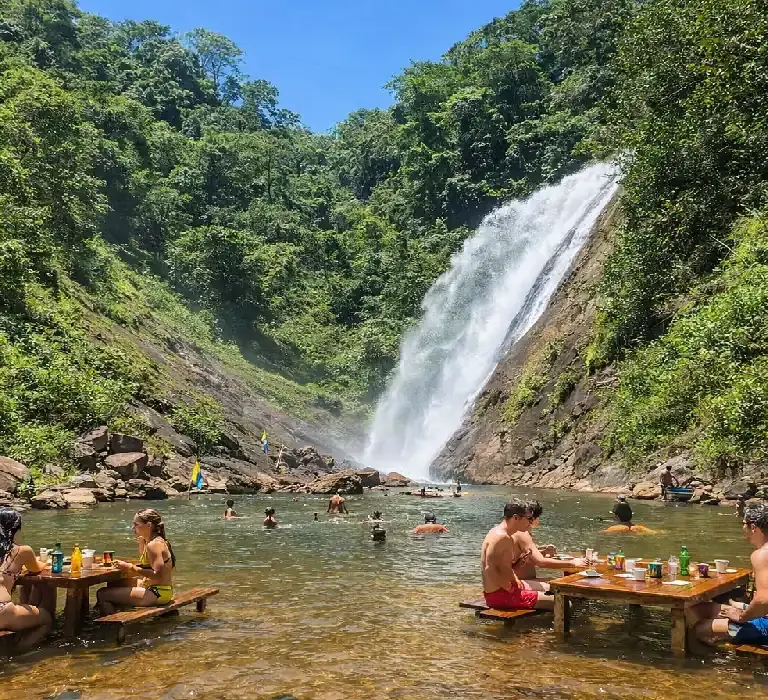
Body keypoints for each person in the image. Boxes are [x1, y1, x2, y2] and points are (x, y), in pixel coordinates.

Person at [687, 503, 768, 646]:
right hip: (763, 614)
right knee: (699, 610)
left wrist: (741, 616)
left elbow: (763, 600)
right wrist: (743, 607)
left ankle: (710, 664)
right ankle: (727, 646)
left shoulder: (761, 555)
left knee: (700, 629)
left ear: (753, 528)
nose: (742, 528)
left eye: (744, 523)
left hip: (765, 625)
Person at [97, 509, 175, 614]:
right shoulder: (153, 541)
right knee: (114, 584)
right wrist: (141, 541)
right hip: (156, 588)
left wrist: (130, 567)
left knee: (102, 594)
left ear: (149, 525)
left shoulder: (154, 545)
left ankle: (111, 627)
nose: (133, 527)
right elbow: (146, 563)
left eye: (136, 524)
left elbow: (157, 575)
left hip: (158, 592)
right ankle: (119, 613)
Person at [481, 499, 554, 611]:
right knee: (562, 603)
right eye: (529, 519)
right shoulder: (502, 537)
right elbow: (489, 569)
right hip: (501, 596)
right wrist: (510, 588)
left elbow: (504, 567)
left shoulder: (502, 534)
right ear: (516, 518)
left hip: (501, 592)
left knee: (555, 589)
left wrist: (516, 582)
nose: (531, 522)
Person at [0, 509, 55, 651]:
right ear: (14, 529)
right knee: (46, 619)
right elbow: (36, 569)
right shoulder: (22, 551)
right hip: (2, 611)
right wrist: (44, 561)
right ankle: (19, 652)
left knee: (23, 603)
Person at [512, 501, 585, 590]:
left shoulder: (522, 533)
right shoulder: (522, 534)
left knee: (561, 582)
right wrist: (573, 563)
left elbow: (526, 557)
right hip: (520, 580)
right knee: (565, 587)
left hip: (525, 579)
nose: (538, 520)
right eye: (534, 518)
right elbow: (540, 562)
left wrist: (543, 550)